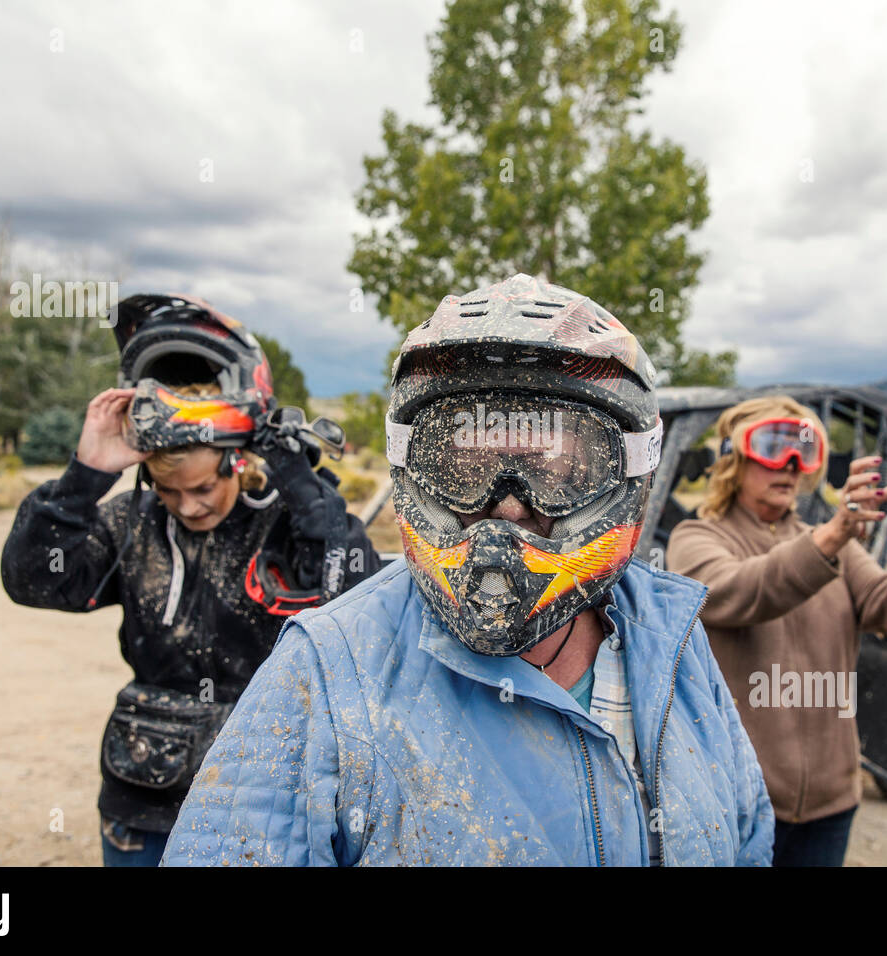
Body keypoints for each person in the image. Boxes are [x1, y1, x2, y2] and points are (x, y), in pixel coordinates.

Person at [162, 274, 773, 867]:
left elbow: (746, 837)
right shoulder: (330, 667)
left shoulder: (671, 636)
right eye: (468, 465)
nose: (507, 506)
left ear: (625, 469)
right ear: (415, 462)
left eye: (552, 467)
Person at [0, 295, 379, 866]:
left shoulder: (284, 524)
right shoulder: (133, 523)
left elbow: (355, 597)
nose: (189, 507)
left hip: (264, 803)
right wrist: (86, 475)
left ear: (237, 459)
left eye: (203, 489)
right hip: (145, 799)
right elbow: (31, 578)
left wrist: (304, 488)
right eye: (169, 491)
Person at [666, 395, 887, 867]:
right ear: (733, 456)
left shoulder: (834, 542)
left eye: (805, 450)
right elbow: (740, 591)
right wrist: (834, 533)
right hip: (740, 799)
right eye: (775, 446)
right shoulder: (698, 538)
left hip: (832, 801)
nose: (791, 465)